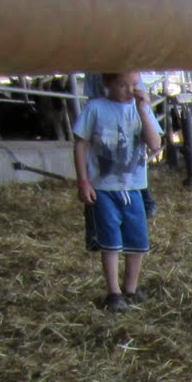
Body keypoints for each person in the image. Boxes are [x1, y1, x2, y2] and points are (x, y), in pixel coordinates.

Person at [73, 71, 162, 310]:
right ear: (107, 83)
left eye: (135, 84)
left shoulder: (141, 109)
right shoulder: (95, 108)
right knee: (110, 241)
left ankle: (130, 289)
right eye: (123, 85)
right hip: (103, 187)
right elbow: (80, 144)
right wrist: (83, 181)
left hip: (134, 187)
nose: (130, 90)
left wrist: (144, 110)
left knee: (138, 240)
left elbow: (155, 144)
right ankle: (113, 292)